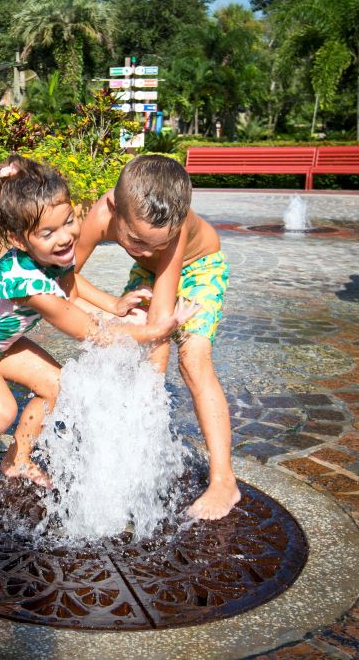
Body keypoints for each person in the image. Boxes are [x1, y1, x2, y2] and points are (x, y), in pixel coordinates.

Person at [0, 157, 200, 527]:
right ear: (18, 240)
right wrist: (156, 330)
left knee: (60, 387)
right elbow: (90, 332)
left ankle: (18, 458)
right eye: (48, 233)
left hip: (3, 342)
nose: (64, 238)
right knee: (0, 411)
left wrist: (114, 303)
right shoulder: (25, 283)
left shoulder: (52, 256)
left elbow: (70, 284)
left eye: (68, 222)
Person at [74, 153, 239, 520]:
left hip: (200, 268)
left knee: (193, 360)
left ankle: (224, 481)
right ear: (115, 208)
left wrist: (148, 412)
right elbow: (62, 277)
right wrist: (109, 308)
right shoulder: (102, 216)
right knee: (125, 335)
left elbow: (160, 330)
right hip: (151, 273)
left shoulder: (171, 234)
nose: (145, 249)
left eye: (155, 244)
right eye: (135, 240)